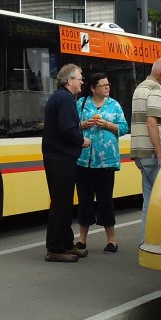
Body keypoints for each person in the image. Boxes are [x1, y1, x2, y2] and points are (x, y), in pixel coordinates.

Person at [41, 64, 91, 263]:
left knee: (64, 204)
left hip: (57, 157)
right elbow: (66, 129)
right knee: (61, 204)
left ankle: (67, 244)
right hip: (61, 158)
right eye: (79, 78)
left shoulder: (60, 97)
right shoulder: (65, 99)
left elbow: (63, 125)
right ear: (69, 81)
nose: (82, 82)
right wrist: (82, 140)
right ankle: (55, 248)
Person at [77, 72, 129, 254]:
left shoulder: (114, 105)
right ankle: (82, 240)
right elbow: (71, 125)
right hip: (83, 160)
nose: (107, 87)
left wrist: (107, 125)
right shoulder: (82, 103)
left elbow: (124, 128)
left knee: (105, 201)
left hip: (106, 161)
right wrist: (83, 125)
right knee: (84, 201)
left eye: (108, 84)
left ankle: (111, 240)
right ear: (92, 88)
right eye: (103, 85)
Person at [131, 58, 161, 227]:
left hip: (141, 153)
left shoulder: (141, 88)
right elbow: (152, 122)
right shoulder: (156, 89)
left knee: (148, 202)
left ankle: (146, 243)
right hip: (153, 153)